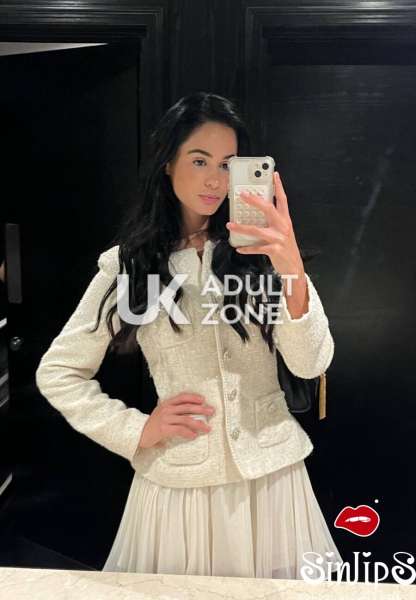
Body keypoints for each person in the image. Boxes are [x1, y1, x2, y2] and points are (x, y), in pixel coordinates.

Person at [35, 92, 343, 580]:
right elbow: (59, 371)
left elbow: (310, 363)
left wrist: (291, 265)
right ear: (168, 163)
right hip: (180, 485)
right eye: (199, 161)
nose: (215, 180)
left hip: (271, 481)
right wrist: (138, 431)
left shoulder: (261, 255)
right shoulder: (135, 266)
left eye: (227, 164)